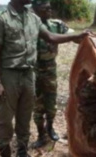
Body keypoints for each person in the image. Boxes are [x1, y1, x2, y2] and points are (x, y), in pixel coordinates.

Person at [0, 0, 88, 157]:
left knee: (25, 117)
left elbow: (50, 37)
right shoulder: (0, 18)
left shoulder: (33, 18)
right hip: (8, 75)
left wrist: (76, 36)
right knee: (5, 119)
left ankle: (23, 155)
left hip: (29, 75)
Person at [30, 0, 74, 148]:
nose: (49, 10)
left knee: (51, 103)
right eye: (45, 8)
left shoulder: (56, 25)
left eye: (50, 8)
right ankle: (41, 135)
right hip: (32, 71)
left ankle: (50, 128)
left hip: (50, 70)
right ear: (35, 8)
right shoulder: (28, 24)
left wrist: (87, 37)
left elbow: (73, 35)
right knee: (37, 106)